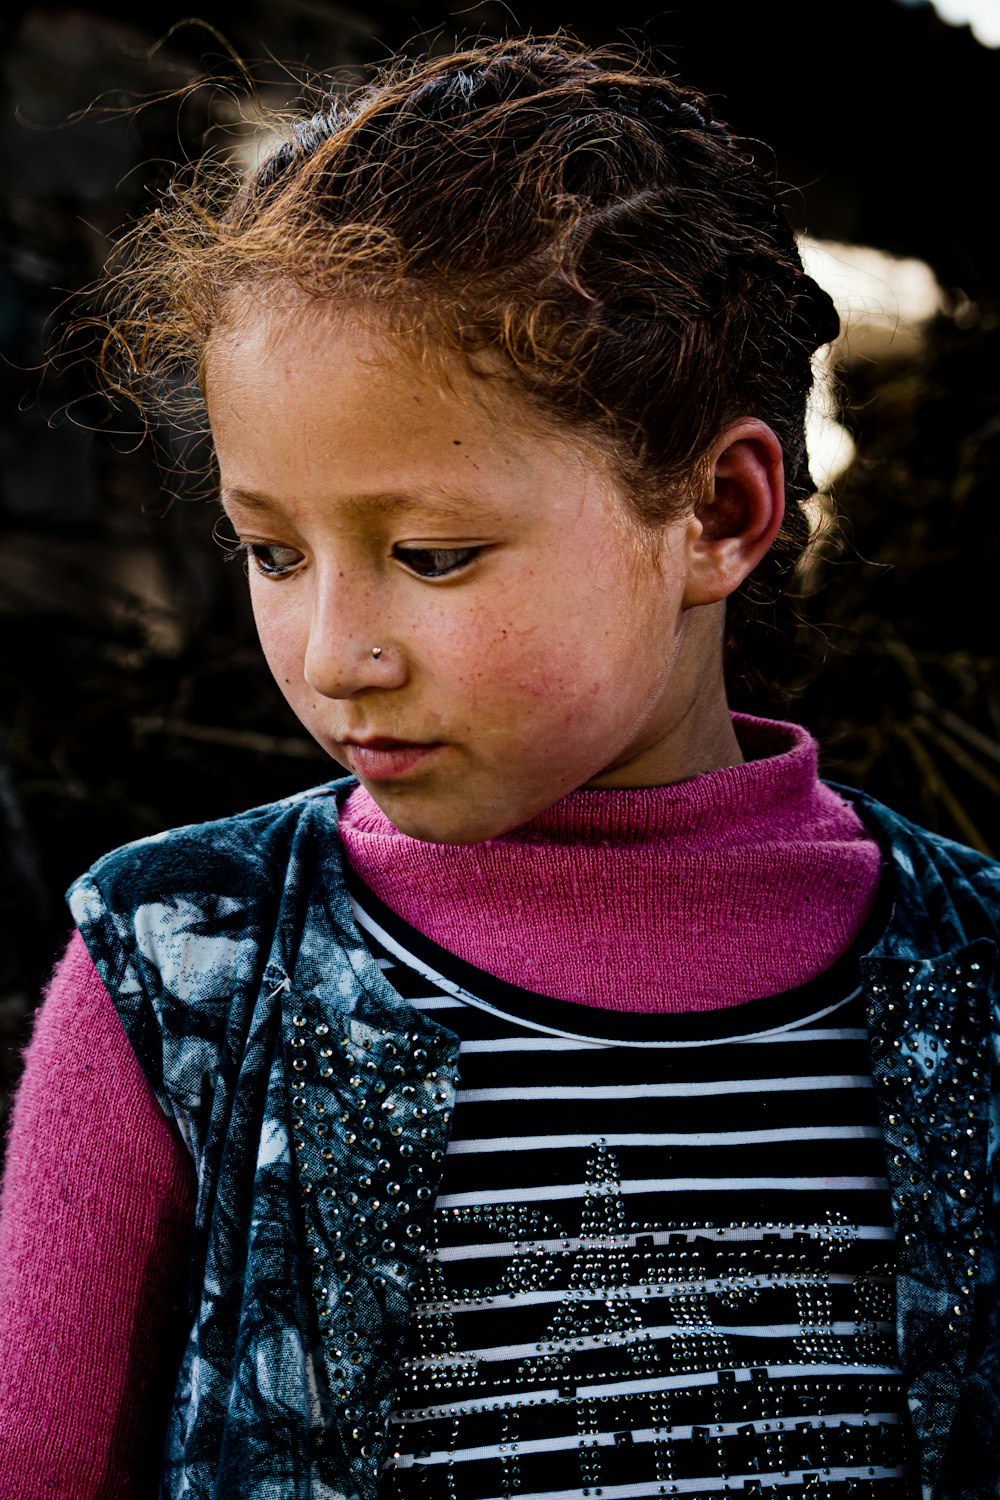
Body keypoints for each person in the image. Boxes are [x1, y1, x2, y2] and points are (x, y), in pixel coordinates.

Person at [0, 35, 997, 1500]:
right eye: (270, 551)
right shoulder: (184, 973)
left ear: (721, 513)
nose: (337, 653)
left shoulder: (972, 979)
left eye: (433, 555)